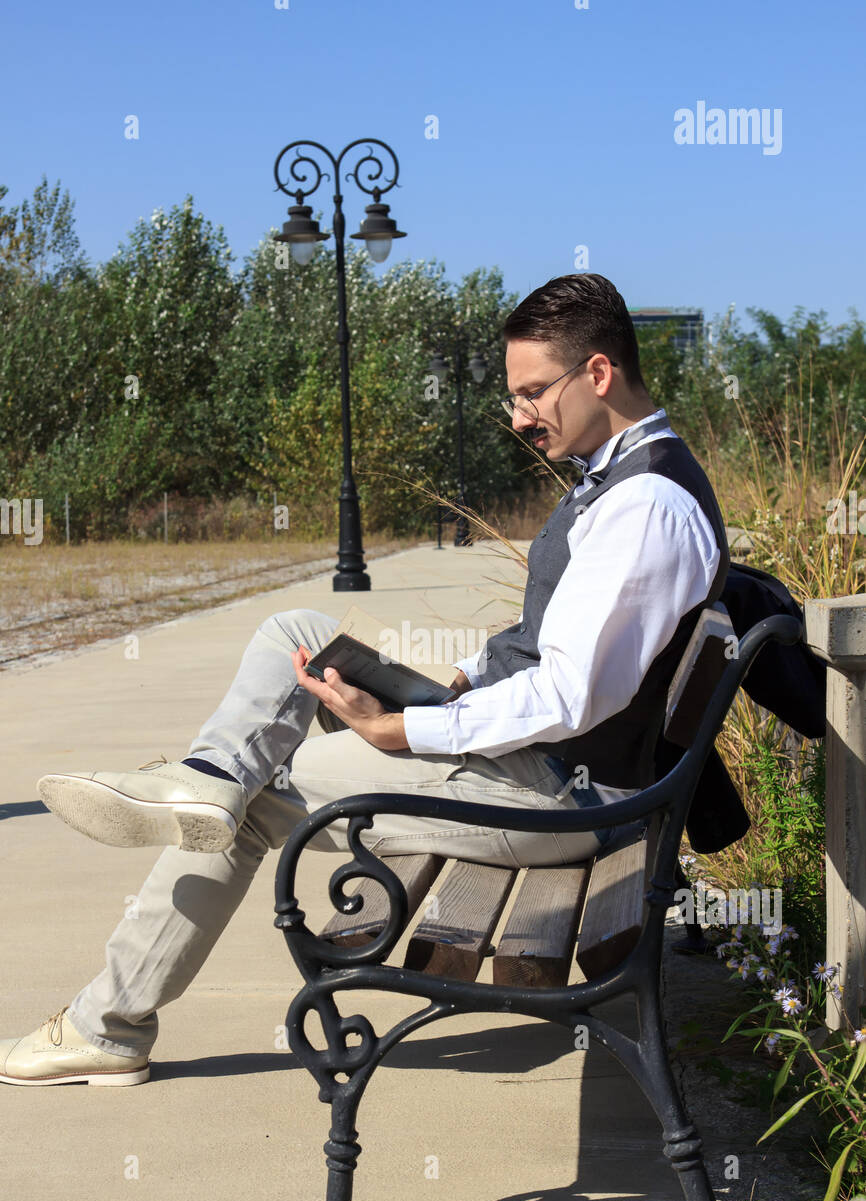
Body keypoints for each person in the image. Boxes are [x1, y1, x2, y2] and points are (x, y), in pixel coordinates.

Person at [0, 272, 728, 1087]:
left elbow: (568, 696)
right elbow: (553, 647)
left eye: (532, 394)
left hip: (555, 797)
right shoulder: (629, 478)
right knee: (295, 638)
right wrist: (462, 679)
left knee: (251, 800)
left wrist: (404, 728)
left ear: (597, 374)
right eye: (512, 398)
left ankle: (109, 1024)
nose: (521, 417)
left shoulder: (646, 507)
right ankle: (202, 775)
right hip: (544, 765)